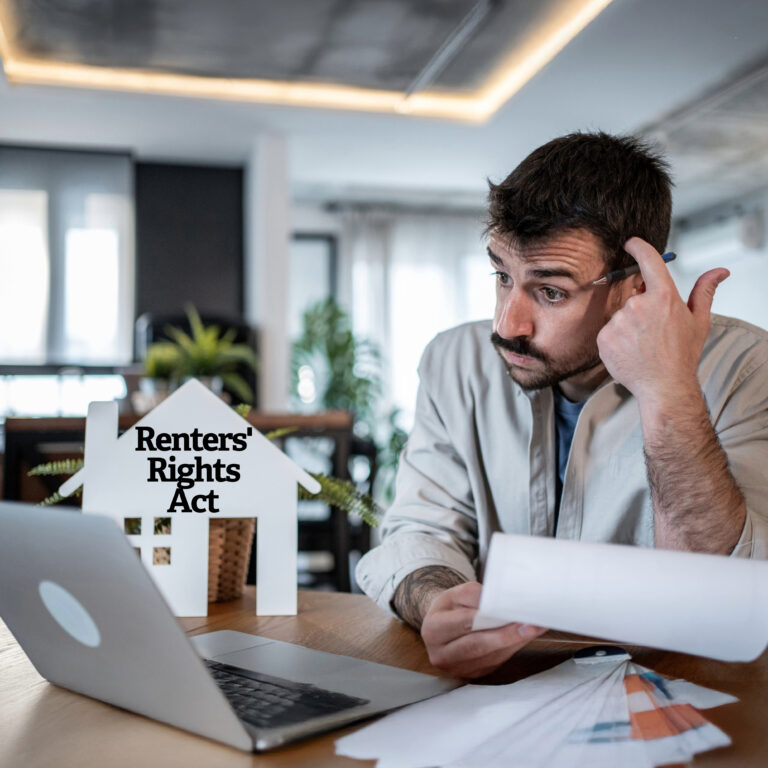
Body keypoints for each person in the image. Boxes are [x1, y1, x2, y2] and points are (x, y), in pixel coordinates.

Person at [355, 131, 768, 679]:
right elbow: (420, 529)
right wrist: (436, 603)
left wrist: (668, 388)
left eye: (550, 292)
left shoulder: (744, 367)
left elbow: (722, 597)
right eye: (503, 276)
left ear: (639, 285)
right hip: (500, 697)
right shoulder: (454, 361)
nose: (508, 325)